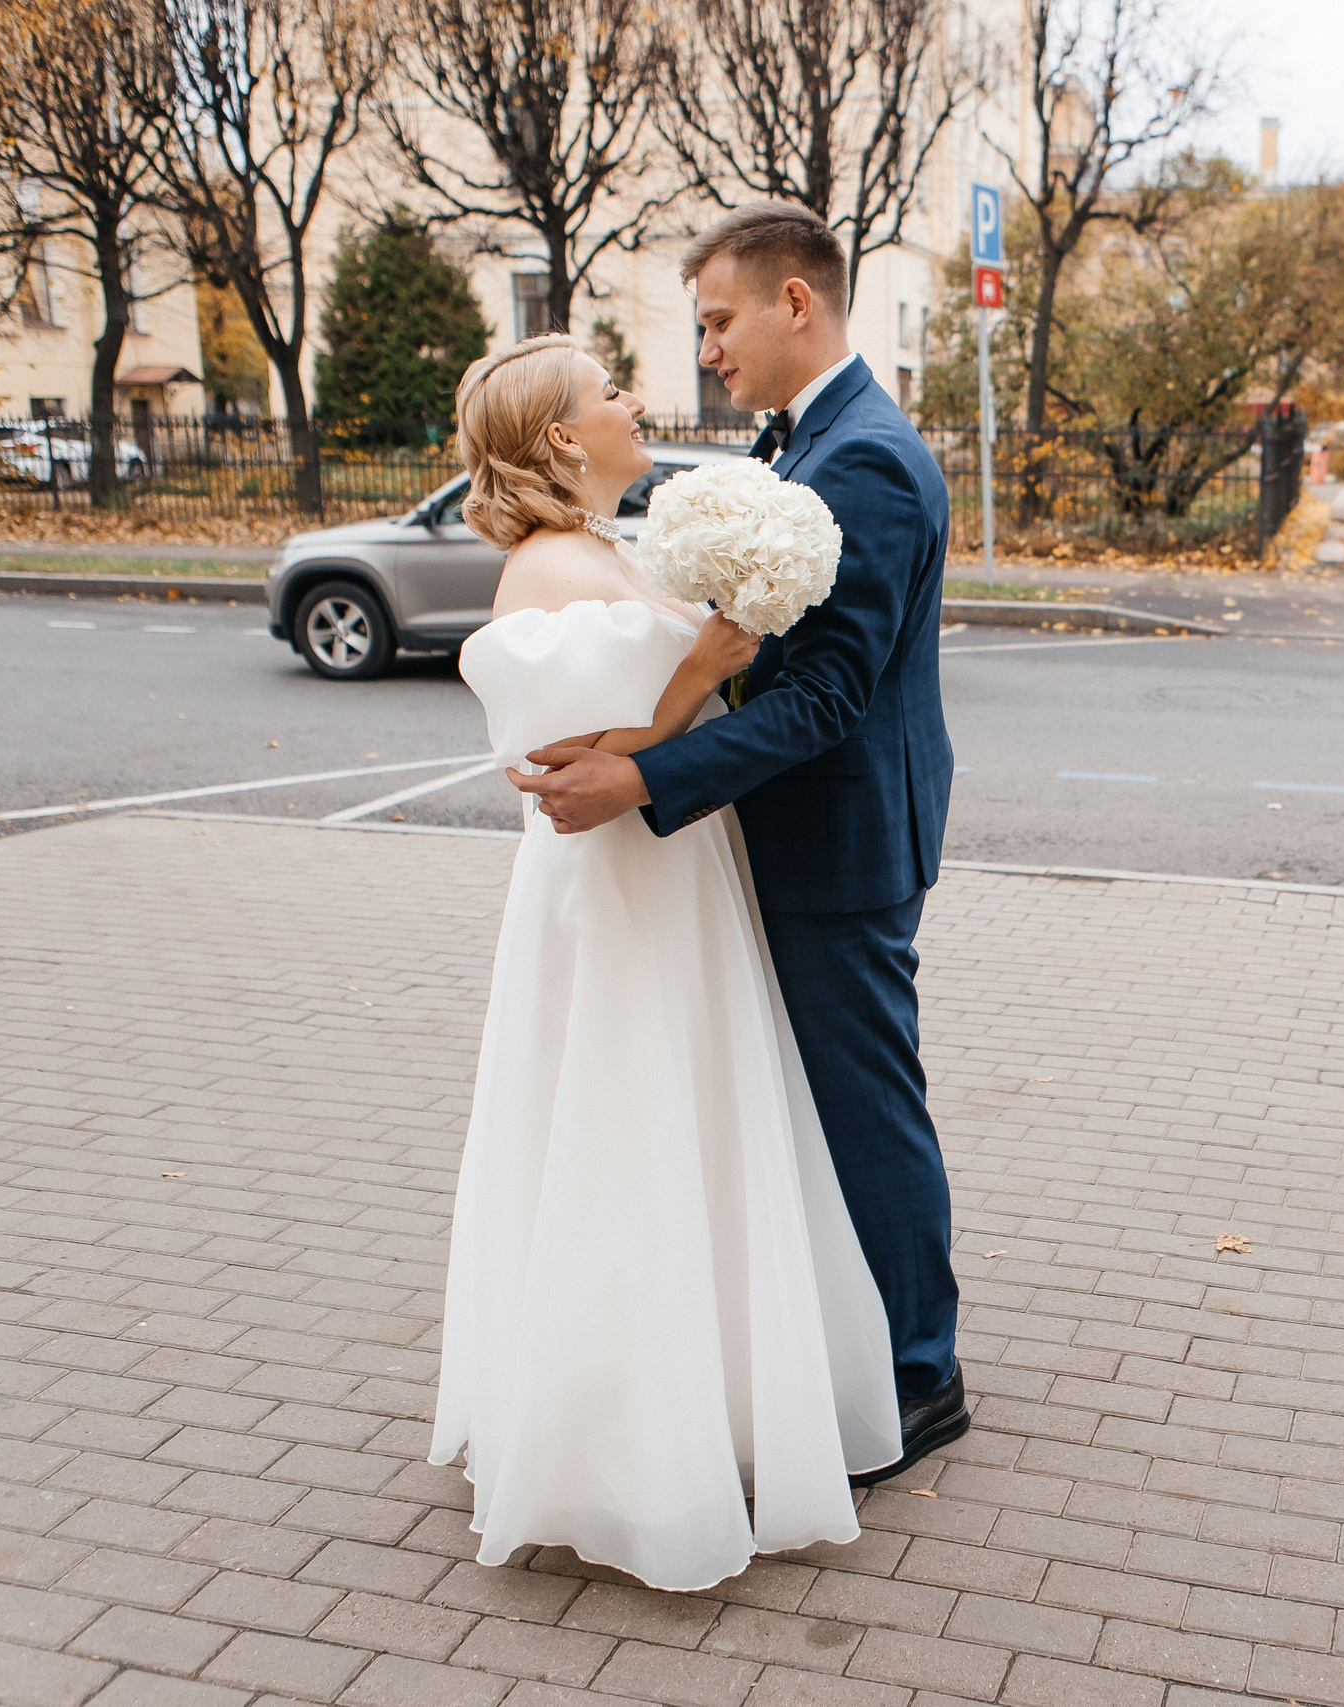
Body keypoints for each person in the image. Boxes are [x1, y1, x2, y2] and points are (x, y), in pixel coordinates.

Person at [430, 333, 900, 1593]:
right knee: (625, 1131)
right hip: (620, 895)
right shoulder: (543, 571)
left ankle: (715, 1398)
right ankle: (622, 1448)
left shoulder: (605, 552)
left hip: (676, 879)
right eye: (610, 391)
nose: (636, 401)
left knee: (687, 1131)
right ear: (566, 438)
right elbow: (570, 766)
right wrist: (703, 660)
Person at [511, 202, 966, 1485]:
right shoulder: (802, 444)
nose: (706, 346)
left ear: (794, 305)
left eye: (716, 319)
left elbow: (824, 697)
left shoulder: (862, 460)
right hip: (794, 834)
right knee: (821, 1105)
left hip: (840, 842)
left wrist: (644, 779)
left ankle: (920, 1377)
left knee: (866, 1107)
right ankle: (856, 1340)